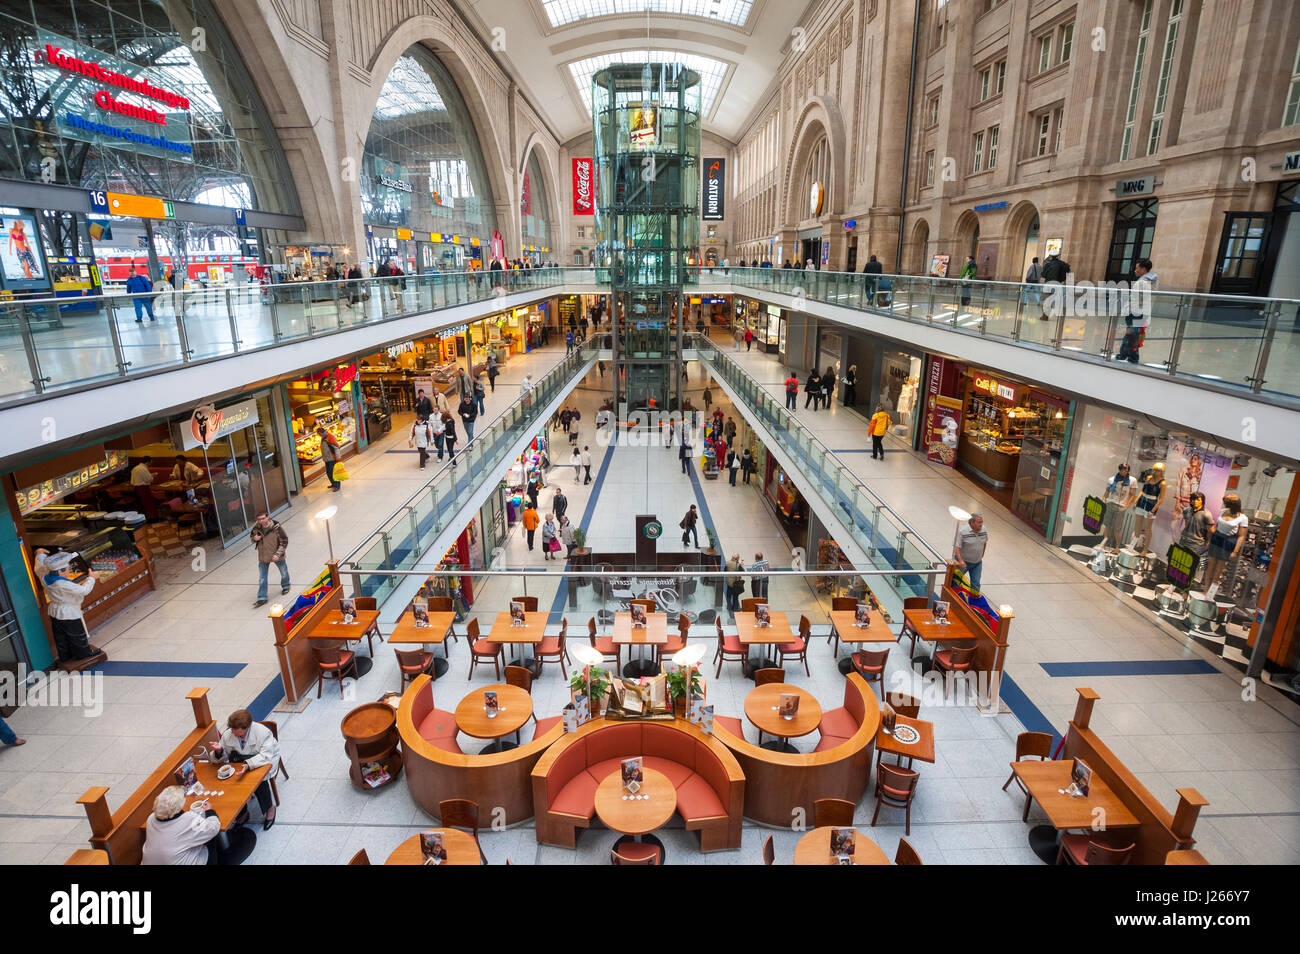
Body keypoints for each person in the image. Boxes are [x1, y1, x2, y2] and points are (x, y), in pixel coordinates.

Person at [207, 709, 280, 831]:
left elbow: (265, 756)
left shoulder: (263, 733)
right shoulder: (229, 734)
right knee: (232, 782)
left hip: (262, 761)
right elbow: (222, 755)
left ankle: (269, 808)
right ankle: (243, 812)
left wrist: (248, 764)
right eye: (232, 729)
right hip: (240, 762)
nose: (233, 733)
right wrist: (219, 751)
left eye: (236, 730)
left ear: (246, 727)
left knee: (259, 782)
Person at [142, 785, 252, 865]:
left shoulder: (151, 819)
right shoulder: (187, 819)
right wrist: (210, 811)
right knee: (210, 838)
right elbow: (214, 828)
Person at [39, 551, 100, 662]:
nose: (69, 570)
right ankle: (84, 654)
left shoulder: (45, 578)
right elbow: (83, 590)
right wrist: (91, 578)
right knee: (77, 635)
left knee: (61, 637)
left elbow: (40, 568)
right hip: (68, 612)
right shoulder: (62, 584)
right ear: (59, 571)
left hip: (54, 612)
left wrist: (40, 555)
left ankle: (65, 656)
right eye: (67, 569)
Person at [1118, 258, 1157, 364]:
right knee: (1130, 334)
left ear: (1144, 269)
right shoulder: (1149, 282)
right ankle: (1123, 355)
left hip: (1136, 313)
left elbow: (1135, 300)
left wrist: (1127, 311)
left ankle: (1132, 357)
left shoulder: (1142, 283)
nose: (1135, 270)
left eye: (1137, 268)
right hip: (1140, 313)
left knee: (1132, 335)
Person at [250, 512, 290, 608]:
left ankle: (286, 586)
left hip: (276, 555)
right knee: (262, 578)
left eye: (263, 518)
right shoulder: (256, 527)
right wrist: (254, 538)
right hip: (263, 556)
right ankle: (262, 598)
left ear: (268, 517)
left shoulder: (276, 527)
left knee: (283, 572)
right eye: (259, 519)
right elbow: (252, 537)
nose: (261, 521)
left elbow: (284, 541)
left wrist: (278, 554)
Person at [1099, 463, 1137, 552]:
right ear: (1119, 469)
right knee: (1107, 526)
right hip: (1111, 503)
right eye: (1123, 469)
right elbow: (1107, 492)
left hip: (1121, 506)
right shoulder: (1112, 479)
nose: (1125, 471)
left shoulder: (1132, 480)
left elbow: (1132, 495)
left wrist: (1127, 506)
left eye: (1126, 470)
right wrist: (1103, 501)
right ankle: (1103, 545)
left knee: (1117, 529)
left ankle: (1117, 547)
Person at [954, 513, 988, 592]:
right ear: (971, 523)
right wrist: (960, 561)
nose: (981, 524)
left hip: (977, 563)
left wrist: (982, 555)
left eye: (982, 522)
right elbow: (957, 547)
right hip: (963, 563)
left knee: (976, 584)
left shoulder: (984, 529)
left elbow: (985, 542)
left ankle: (973, 601)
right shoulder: (962, 531)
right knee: (956, 581)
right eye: (979, 522)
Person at [130, 455, 158, 520]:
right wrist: (153, 475)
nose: (151, 463)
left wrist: (150, 475)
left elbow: (132, 481)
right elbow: (149, 480)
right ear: (148, 462)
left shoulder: (135, 468)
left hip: (136, 488)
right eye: (151, 462)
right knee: (148, 504)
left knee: (140, 504)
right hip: (143, 488)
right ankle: (151, 518)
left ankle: (142, 518)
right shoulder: (143, 468)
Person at [317, 425, 342, 491]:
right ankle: (333, 484)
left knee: (333, 472)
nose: (319, 435)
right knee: (329, 472)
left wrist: (338, 457)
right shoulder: (323, 437)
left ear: (322, 432)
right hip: (327, 459)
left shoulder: (330, 437)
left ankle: (337, 486)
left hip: (332, 458)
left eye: (319, 434)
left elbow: (336, 447)